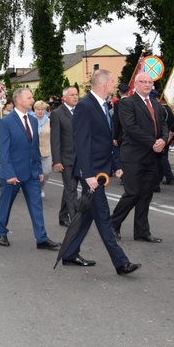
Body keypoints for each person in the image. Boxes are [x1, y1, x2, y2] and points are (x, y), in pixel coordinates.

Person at [59, 70, 140, 275]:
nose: (114, 84)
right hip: (92, 174)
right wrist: (88, 175)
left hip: (100, 170)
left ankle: (69, 253)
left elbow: (106, 140)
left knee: (87, 214)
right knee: (103, 218)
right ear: (104, 84)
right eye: (112, 81)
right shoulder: (85, 107)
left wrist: (116, 164)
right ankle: (121, 262)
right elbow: (82, 143)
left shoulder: (104, 105)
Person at [0, 88, 59, 250]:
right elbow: (4, 150)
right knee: (5, 204)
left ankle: (41, 238)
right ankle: (2, 232)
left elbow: (34, 148)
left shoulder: (32, 120)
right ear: (19, 100)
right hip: (13, 173)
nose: (32, 100)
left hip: (31, 172)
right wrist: (9, 173)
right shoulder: (6, 122)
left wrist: (38, 171)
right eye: (29, 97)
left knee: (36, 205)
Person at [110, 72, 168, 244]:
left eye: (150, 82)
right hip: (133, 157)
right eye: (144, 82)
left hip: (151, 157)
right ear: (136, 84)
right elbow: (130, 127)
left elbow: (164, 124)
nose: (148, 85)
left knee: (146, 195)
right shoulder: (127, 103)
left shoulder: (156, 105)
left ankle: (142, 231)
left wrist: (163, 140)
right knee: (133, 192)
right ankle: (113, 224)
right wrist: (153, 142)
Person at [50, 86, 80, 227]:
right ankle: (75, 220)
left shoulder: (81, 111)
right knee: (71, 189)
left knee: (70, 188)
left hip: (80, 158)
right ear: (64, 98)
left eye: (76, 94)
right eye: (72, 95)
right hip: (66, 158)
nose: (75, 97)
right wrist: (57, 161)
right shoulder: (57, 113)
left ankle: (63, 215)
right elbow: (55, 139)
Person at [33, 100, 52, 198]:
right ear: (34, 110)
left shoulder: (49, 121)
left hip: (47, 150)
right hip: (33, 152)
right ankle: (33, 189)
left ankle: (40, 188)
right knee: (33, 173)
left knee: (46, 172)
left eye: (42, 109)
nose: (40, 111)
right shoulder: (30, 120)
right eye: (38, 109)